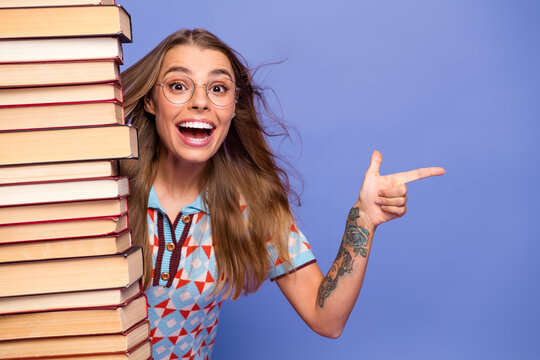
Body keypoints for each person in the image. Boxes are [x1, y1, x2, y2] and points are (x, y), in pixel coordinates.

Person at [120, 28, 445, 360]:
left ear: (233, 107)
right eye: (178, 86)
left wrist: (362, 220)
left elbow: (327, 320)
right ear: (150, 100)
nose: (200, 101)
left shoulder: (252, 208)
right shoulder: (105, 190)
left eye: (218, 88)